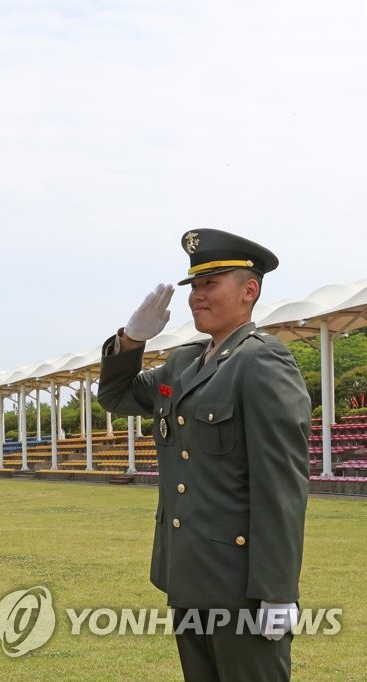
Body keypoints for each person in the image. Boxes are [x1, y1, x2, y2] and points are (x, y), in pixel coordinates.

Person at [97, 229, 310, 681]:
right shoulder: (183, 363)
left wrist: (276, 591)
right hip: (187, 573)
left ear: (249, 290)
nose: (197, 296)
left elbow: (281, 485)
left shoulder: (262, 362)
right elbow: (115, 397)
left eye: (211, 283)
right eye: (194, 286)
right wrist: (132, 341)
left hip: (240, 585)